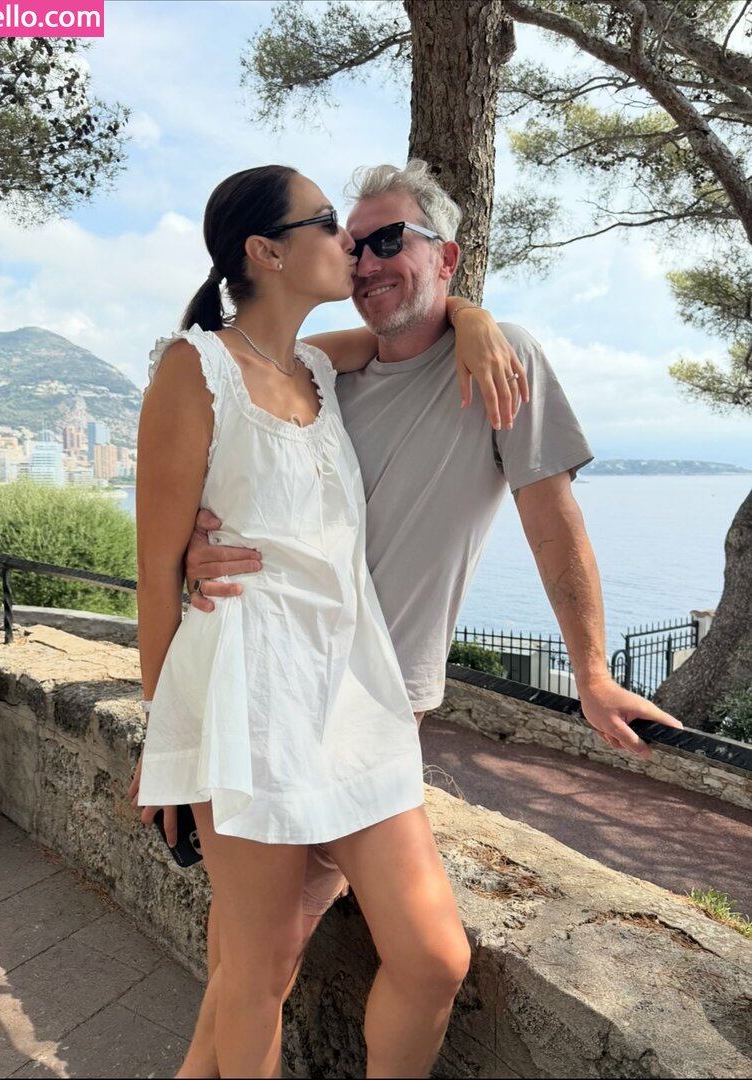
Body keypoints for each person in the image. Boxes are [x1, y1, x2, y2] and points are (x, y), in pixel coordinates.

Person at [184, 160, 684, 1075]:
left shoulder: (499, 365)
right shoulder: (321, 371)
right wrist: (190, 549)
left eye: (389, 240)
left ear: (446, 257)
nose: (365, 259)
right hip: (270, 693)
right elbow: (231, 449)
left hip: (379, 710)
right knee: (259, 958)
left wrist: (592, 673)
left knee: (392, 958)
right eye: (351, 242)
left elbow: (554, 523)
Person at [128, 163, 528, 1080]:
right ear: (266, 252)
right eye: (325, 224)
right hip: (250, 693)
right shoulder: (194, 369)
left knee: (434, 956)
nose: (349, 242)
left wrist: (475, 316)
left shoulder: (317, 363)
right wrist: (166, 739)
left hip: (355, 691)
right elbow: (155, 574)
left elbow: (417, 329)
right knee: (258, 970)